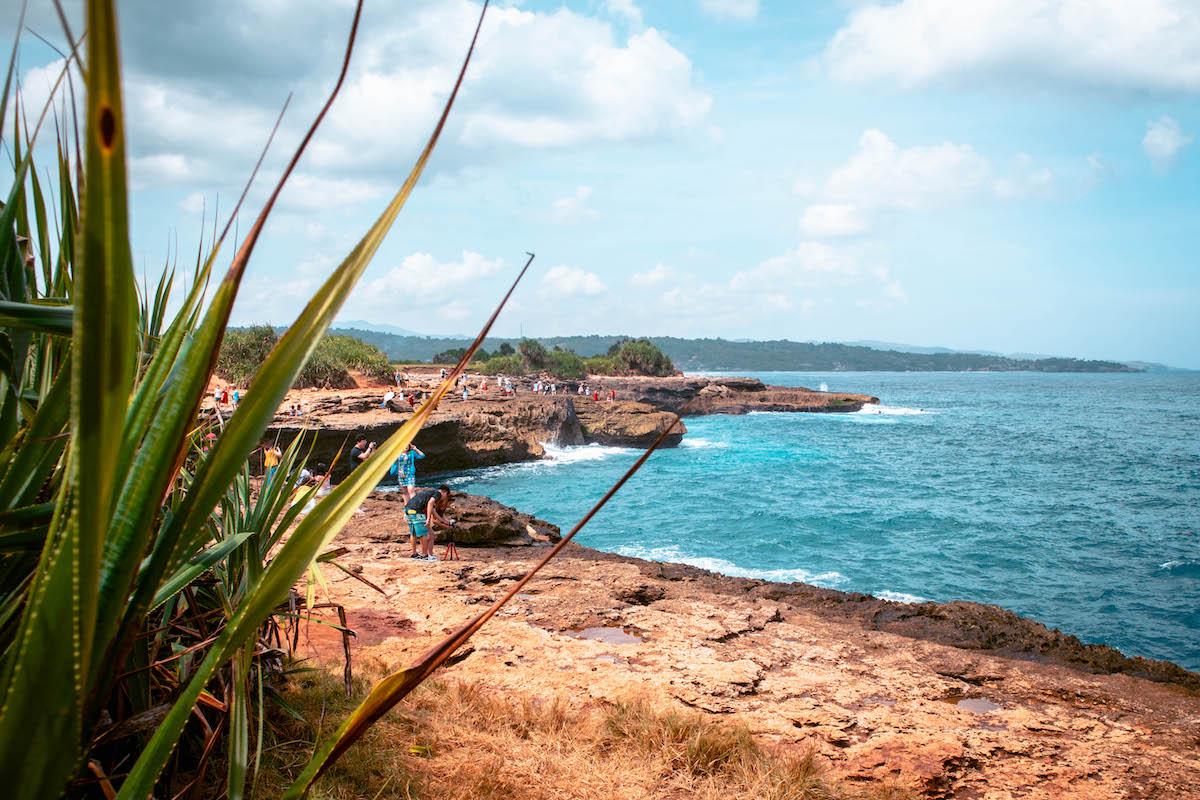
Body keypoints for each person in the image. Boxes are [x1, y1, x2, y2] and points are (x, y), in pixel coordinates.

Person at [404, 485, 454, 561]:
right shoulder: (438, 494)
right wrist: (428, 519)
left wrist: (446, 522)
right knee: (423, 534)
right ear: (444, 492)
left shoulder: (429, 493)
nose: (444, 498)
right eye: (447, 496)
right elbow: (430, 503)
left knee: (413, 533)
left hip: (408, 509)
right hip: (417, 511)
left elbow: (433, 511)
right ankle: (425, 555)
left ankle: (414, 554)